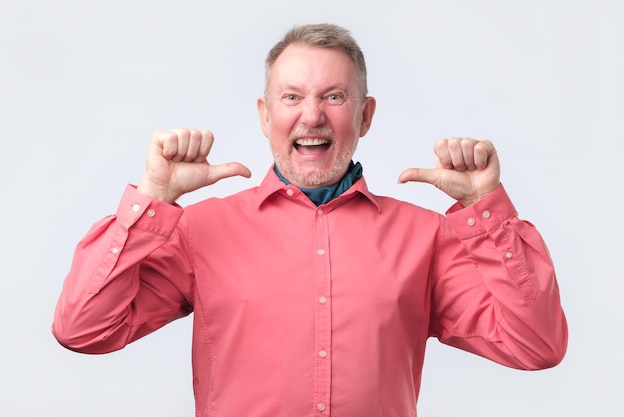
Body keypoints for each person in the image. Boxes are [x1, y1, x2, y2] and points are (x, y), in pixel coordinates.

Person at [52, 23, 568, 417]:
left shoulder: (425, 237)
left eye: (334, 96)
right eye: (292, 96)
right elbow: (83, 329)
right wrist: (155, 196)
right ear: (264, 115)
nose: (312, 115)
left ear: (365, 116)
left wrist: (487, 211)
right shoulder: (198, 232)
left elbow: (536, 346)